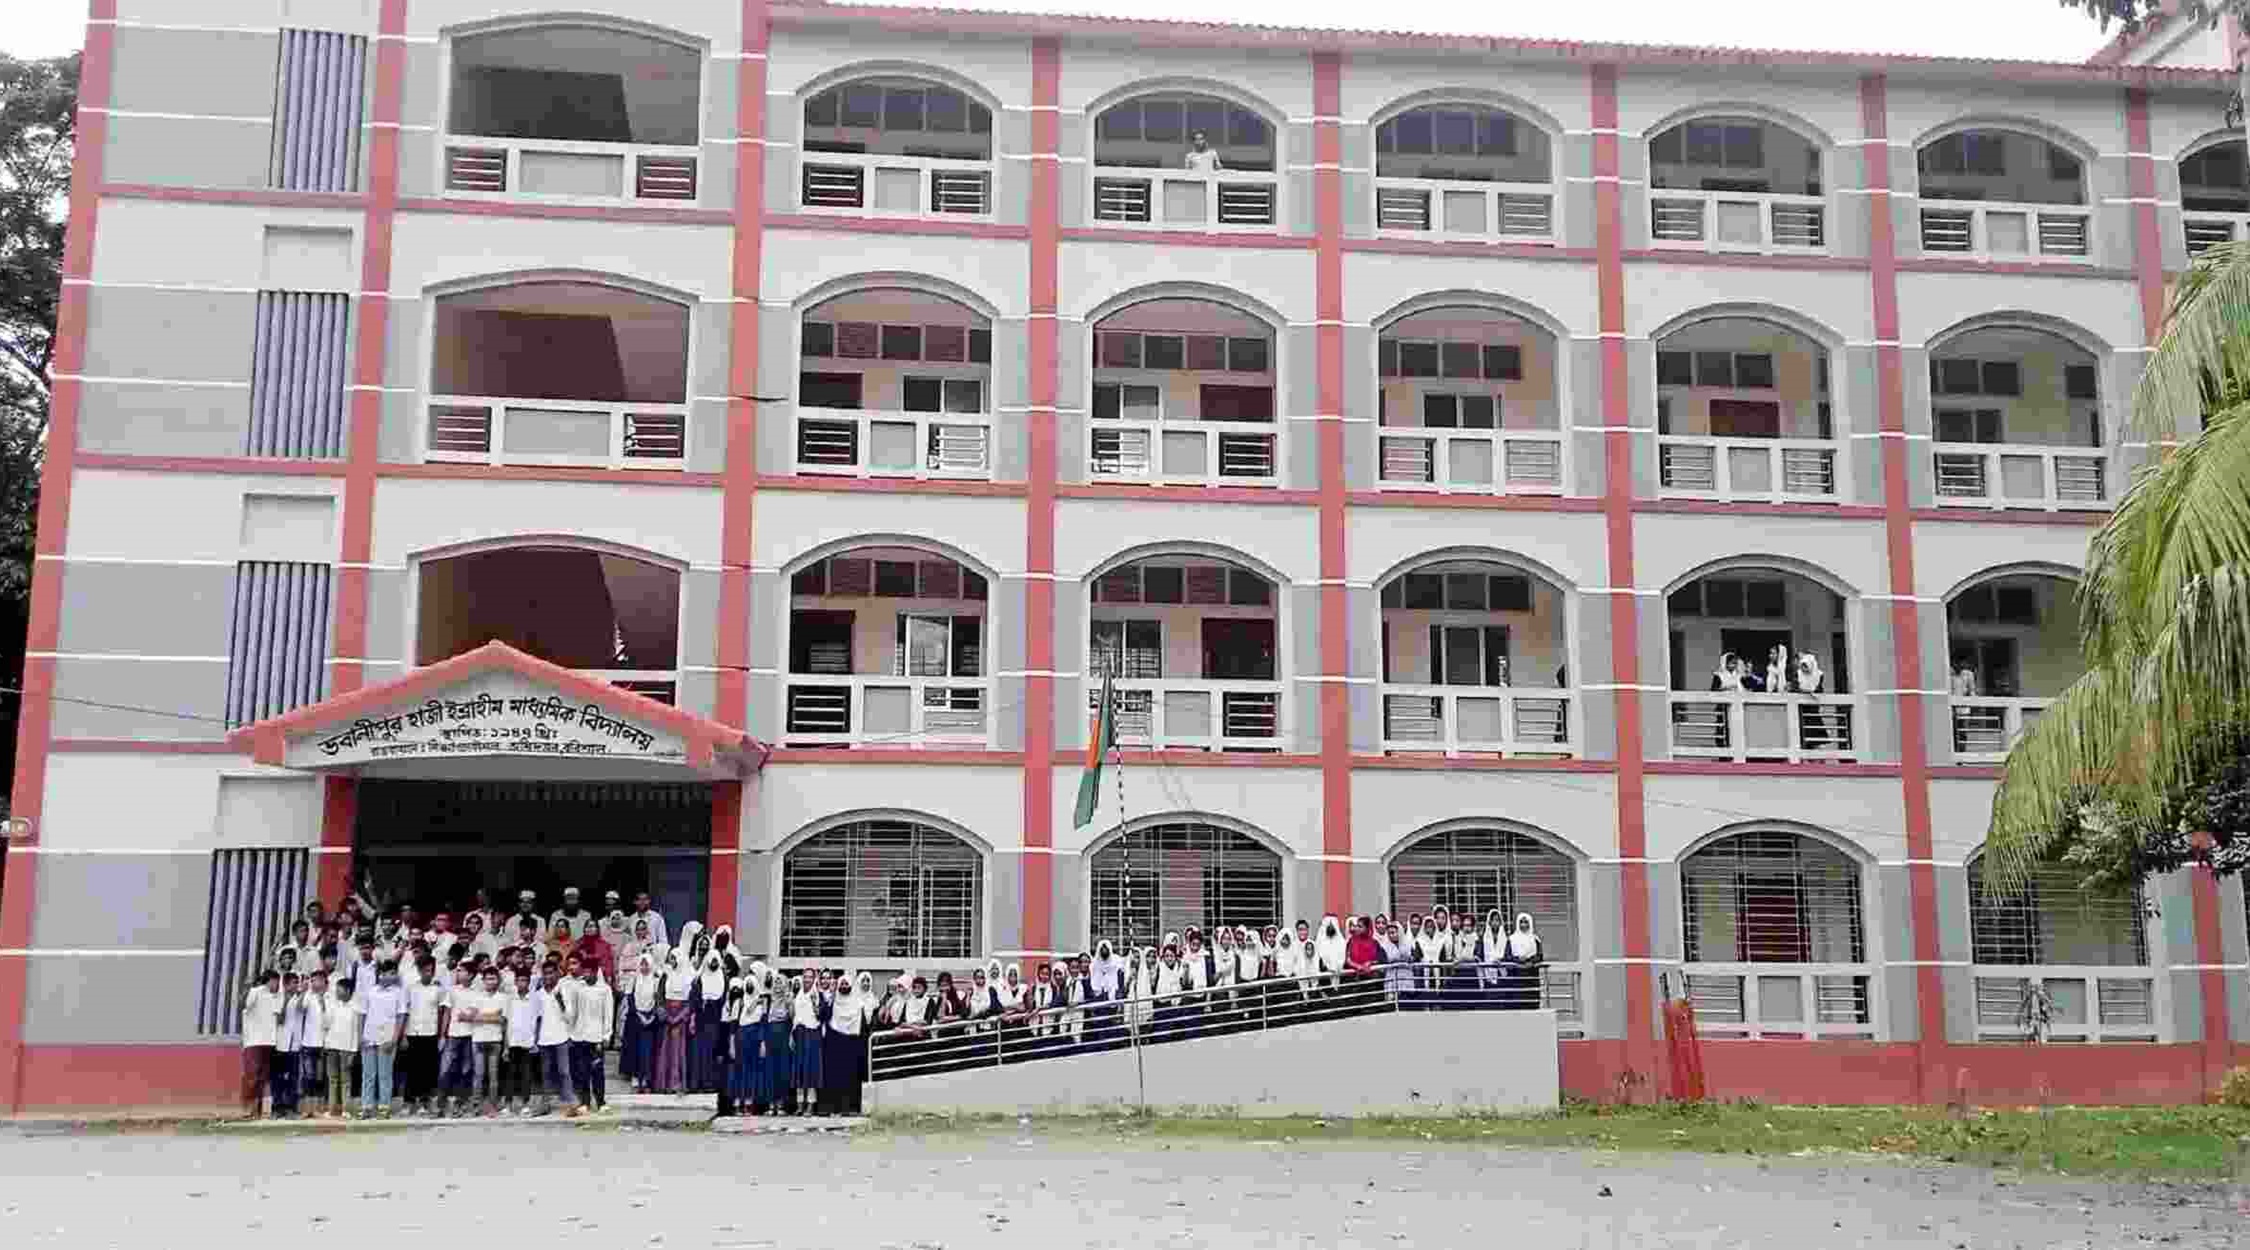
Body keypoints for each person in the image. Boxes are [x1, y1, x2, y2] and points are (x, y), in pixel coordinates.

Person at [357, 959, 407, 1118]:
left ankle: (384, 1107)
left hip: (387, 1037)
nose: (392, 976)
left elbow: (401, 1016)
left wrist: (394, 1039)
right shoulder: (370, 991)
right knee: (368, 1074)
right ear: (380, 974)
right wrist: (360, 1036)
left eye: (394, 973)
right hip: (369, 1036)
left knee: (385, 1074)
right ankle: (366, 1107)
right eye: (389, 973)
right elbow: (362, 1014)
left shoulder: (399, 992)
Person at [567, 959, 612, 1116]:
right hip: (580, 1036)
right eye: (584, 971)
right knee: (583, 1071)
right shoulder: (578, 988)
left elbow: (608, 1014)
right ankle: (585, 1102)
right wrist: (571, 1032)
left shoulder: (604, 990)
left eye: (588, 972)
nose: (585, 975)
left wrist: (606, 1035)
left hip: (596, 1036)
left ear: (595, 972)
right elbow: (573, 1013)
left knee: (597, 1070)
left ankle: (601, 1102)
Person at [820, 970, 869, 1115]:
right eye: (842, 984)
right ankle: (831, 1107)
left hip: (851, 1045)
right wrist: (830, 999)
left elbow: (863, 1028)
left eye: (846, 984)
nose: (844, 986)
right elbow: (824, 1016)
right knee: (833, 1077)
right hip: (834, 1043)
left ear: (851, 986)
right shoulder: (833, 1001)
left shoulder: (858, 1004)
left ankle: (848, 1108)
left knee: (849, 1077)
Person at [401, 954, 445, 1113]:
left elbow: (442, 1012)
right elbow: (405, 1011)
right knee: (412, 1070)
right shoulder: (411, 988)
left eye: (431, 970)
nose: (428, 973)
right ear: (419, 971)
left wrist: (441, 1035)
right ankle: (408, 1102)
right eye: (425, 970)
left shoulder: (438, 989)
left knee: (428, 1071)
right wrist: (403, 1035)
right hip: (413, 1033)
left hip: (430, 1034)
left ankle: (424, 1102)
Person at [239, 967, 284, 1118]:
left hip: (269, 1041)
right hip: (254, 1040)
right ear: (269, 980)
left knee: (263, 1078)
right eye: (276, 981)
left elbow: (279, 1018)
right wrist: (247, 987)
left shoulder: (275, 996)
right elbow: (244, 1005)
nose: (277, 985)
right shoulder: (255, 991)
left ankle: (257, 1110)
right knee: (251, 1076)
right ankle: (247, 1108)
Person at [465, 966, 507, 1116]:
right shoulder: (476, 997)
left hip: (495, 1040)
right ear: (483, 980)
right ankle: (476, 1106)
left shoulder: (503, 998)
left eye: (493, 978)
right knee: (478, 1075)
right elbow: (469, 1017)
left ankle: (492, 1107)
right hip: (478, 1039)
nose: (490, 981)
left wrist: (481, 1016)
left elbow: (502, 1020)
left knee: (493, 1076)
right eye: (488, 979)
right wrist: (493, 1015)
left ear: (498, 980)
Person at [320, 975, 363, 1118]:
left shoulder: (355, 1008)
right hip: (332, 1046)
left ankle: (346, 1109)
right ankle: (332, 1109)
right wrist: (324, 1008)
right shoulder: (333, 1006)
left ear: (348, 991)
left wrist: (354, 1051)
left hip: (347, 1048)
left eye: (339, 989)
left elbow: (356, 1031)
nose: (337, 992)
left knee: (346, 1080)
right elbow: (325, 1025)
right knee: (332, 1079)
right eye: (336, 989)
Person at [438, 963, 478, 1114]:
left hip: (470, 1036)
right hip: (453, 1035)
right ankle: (441, 1105)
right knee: (445, 1069)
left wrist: (469, 1016)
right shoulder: (452, 990)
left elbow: (476, 1013)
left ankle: (459, 1104)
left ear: (470, 975)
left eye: (461, 971)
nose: (458, 973)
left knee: (466, 1071)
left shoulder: (477, 992)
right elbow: (447, 1013)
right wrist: (443, 1035)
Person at [690, 945, 729, 1093]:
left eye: (716, 961)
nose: (713, 963)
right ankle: (696, 1083)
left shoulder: (724, 979)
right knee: (698, 1051)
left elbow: (724, 999)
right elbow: (694, 999)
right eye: (711, 960)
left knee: (711, 1051)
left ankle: (709, 1084)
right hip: (701, 1018)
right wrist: (693, 1018)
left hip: (716, 1019)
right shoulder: (700, 979)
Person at [654, 949, 694, 1094]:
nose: (671, 961)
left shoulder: (688, 977)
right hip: (667, 1016)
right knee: (666, 1050)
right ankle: (665, 1084)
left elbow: (690, 1000)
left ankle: (677, 1083)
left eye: (673, 958)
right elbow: (660, 995)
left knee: (679, 1051)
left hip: (681, 1018)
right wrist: (664, 1013)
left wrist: (680, 1017)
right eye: (670, 958)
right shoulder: (666, 975)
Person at [533, 962, 571, 1114]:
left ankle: (570, 1104)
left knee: (564, 1072)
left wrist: (560, 1000)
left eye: (551, 973)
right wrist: (535, 1039)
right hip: (544, 1039)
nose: (548, 976)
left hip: (562, 1037)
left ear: (557, 974)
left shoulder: (564, 991)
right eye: (545, 973)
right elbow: (536, 1019)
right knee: (546, 1073)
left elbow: (569, 1017)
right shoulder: (538, 994)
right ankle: (545, 1105)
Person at [792, 970, 827, 1113]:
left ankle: (811, 1104)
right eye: (805, 977)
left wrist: (814, 1003)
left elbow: (821, 1016)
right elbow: (796, 1016)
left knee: (811, 1069)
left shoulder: (818, 995)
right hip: (799, 1032)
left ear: (814, 979)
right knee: (799, 1068)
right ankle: (800, 1103)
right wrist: (792, 1035)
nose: (807, 979)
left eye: (810, 977)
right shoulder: (798, 995)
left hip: (812, 1033)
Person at [626, 952, 660, 1093]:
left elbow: (657, 1000)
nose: (644, 967)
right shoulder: (634, 979)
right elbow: (630, 999)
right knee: (635, 1049)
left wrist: (651, 1016)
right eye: (642, 964)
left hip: (650, 1020)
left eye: (647, 965)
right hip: (636, 1019)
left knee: (647, 1050)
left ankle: (646, 1078)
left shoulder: (655, 980)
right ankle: (635, 1076)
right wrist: (639, 1015)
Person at [295, 970, 328, 1116]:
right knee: (308, 1076)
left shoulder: (329, 997)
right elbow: (299, 1009)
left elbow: (330, 1019)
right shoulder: (308, 995)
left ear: (324, 982)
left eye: (317, 980)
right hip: (308, 1043)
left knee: (321, 1077)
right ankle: (308, 1109)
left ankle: (319, 1108)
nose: (314, 983)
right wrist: (303, 992)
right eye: (312, 980)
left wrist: (323, 1003)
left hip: (324, 1043)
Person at [1502, 913, 1545, 1010]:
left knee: (1531, 1003)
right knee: (1516, 1003)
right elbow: (1507, 956)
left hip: (1531, 975)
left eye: (1526, 922)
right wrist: (1518, 959)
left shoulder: (1535, 939)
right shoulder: (1512, 939)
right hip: (1516, 976)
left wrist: (1531, 961)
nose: (1523, 925)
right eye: (1521, 922)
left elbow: (1540, 956)